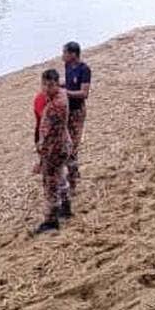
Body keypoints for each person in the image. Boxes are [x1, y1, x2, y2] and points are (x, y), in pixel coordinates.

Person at [34, 69, 72, 233]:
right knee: (61, 176)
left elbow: (46, 137)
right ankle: (66, 206)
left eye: (50, 85)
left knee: (50, 185)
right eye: (44, 85)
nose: (46, 89)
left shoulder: (53, 108)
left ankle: (51, 220)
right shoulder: (62, 94)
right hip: (64, 144)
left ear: (56, 84)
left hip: (54, 150)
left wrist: (41, 160)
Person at [62, 41, 91, 195]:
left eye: (65, 53)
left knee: (72, 146)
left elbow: (84, 93)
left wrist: (66, 93)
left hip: (77, 111)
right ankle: (74, 172)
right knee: (67, 142)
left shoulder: (84, 69)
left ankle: (73, 181)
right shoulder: (67, 66)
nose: (62, 56)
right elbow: (68, 84)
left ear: (73, 54)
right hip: (68, 110)